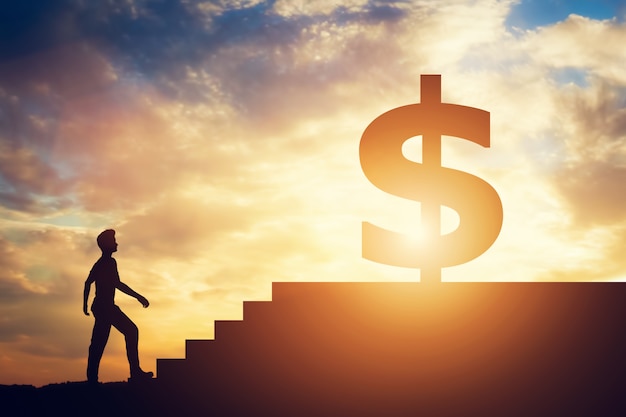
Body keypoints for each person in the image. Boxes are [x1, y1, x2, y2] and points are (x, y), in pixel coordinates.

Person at [83, 229, 153, 384]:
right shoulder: (107, 263)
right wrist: (138, 296)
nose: (117, 243)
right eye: (114, 241)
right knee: (129, 332)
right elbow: (117, 284)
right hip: (105, 307)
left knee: (99, 342)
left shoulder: (101, 263)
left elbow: (88, 283)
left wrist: (86, 305)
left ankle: (93, 378)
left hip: (103, 307)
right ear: (107, 245)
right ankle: (134, 372)